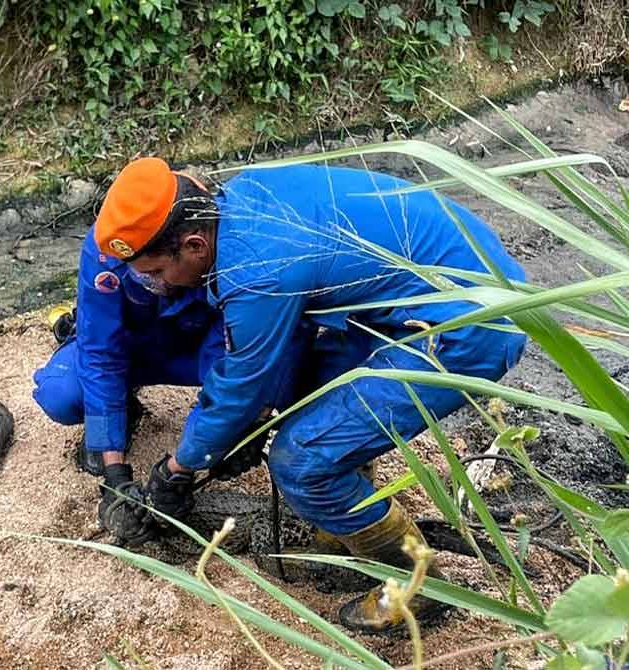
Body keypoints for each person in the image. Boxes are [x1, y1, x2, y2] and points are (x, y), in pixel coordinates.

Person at [33, 157, 526, 632]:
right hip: (439, 279)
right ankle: (342, 516)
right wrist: (241, 427)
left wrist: (179, 469)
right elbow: (264, 357)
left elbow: (241, 383)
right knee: (311, 399)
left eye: (158, 273)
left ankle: (418, 586)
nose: (152, 285)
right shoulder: (243, 202)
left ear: (195, 245)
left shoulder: (255, 270)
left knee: (301, 461)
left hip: (467, 323)